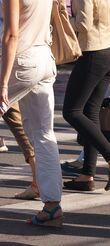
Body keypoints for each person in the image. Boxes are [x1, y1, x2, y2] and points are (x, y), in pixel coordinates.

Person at [1, 0, 63, 226]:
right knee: (44, 135)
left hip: (23, 60)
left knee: (42, 134)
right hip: (44, 58)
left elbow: (11, 35)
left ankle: (52, 209)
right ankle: (52, 207)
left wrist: (4, 83)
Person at [63, 0, 110, 192]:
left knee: (72, 111)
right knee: (91, 112)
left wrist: (63, 19)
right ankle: (87, 175)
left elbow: (83, 24)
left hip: (93, 51)